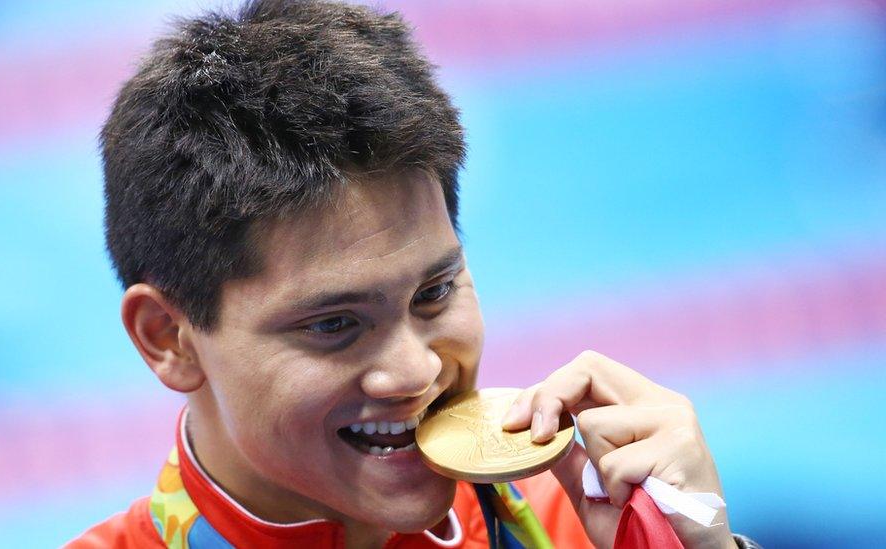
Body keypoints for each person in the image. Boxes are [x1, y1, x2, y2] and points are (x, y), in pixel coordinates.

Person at [69, 1, 759, 547]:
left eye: (434, 292)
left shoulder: (585, 519)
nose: (415, 371)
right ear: (168, 336)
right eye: (335, 324)